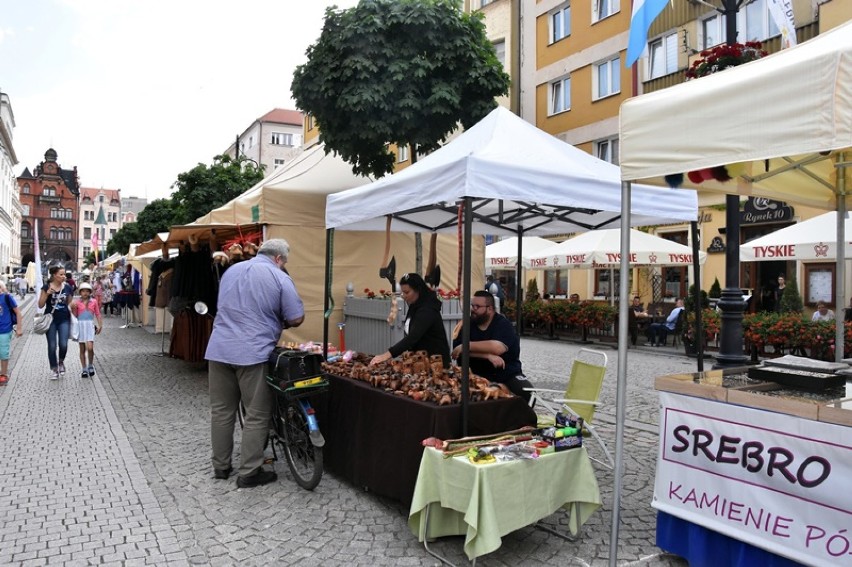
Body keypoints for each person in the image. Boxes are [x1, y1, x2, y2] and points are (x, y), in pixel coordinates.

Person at [205, 238, 305, 488]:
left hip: (218, 349)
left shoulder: (231, 271)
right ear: (279, 259)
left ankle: (221, 467)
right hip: (252, 352)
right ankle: (249, 472)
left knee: (221, 411)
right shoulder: (279, 276)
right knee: (257, 413)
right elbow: (296, 317)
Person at [450, 290, 533, 401]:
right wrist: (487, 356)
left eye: (477, 306)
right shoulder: (467, 324)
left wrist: (466, 346)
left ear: (490, 309)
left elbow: (497, 347)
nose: (473, 309)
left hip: (505, 374)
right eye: (472, 305)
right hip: (475, 374)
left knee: (527, 392)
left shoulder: (503, 324)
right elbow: (456, 352)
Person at [369, 273, 450, 367]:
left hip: (436, 364)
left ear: (418, 290)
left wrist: (386, 355)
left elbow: (413, 337)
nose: (403, 296)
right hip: (421, 362)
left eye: (407, 292)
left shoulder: (427, 310)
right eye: (402, 292)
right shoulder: (415, 306)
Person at [38, 265, 74, 380]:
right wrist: (47, 294)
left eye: (64, 274)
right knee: (52, 346)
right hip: (50, 320)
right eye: (61, 274)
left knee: (63, 344)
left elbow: (69, 304)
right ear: (54, 275)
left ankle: (61, 362)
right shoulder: (46, 287)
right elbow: (40, 305)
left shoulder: (68, 287)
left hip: (64, 319)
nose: (64, 277)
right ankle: (54, 369)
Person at [69, 282, 103, 378]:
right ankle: (84, 369)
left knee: (90, 347)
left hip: (89, 325)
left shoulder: (94, 301)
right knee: (82, 349)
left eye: (87, 291)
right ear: (80, 292)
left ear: (90, 292)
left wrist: (100, 325)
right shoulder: (77, 302)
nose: (85, 293)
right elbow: (75, 316)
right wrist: (72, 309)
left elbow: (97, 313)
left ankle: (90, 365)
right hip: (80, 325)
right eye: (83, 291)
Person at [0, 280, 23, 386]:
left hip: (4, 329)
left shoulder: (7, 297)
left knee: (3, 352)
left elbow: (18, 312)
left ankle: (3, 374)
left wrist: (19, 328)